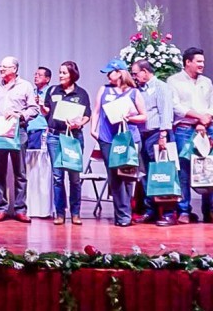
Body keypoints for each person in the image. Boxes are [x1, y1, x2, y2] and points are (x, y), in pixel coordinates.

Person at [167, 47, 213, 225]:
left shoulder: (206, 81)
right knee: (184, 171)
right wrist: (198, 117)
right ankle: (184, 210)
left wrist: (206, 118)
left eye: (203, 62)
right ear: (187, 62)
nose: (202, 65)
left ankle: (209, 211)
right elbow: (176, 106)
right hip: (185, 129)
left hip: (206, 128)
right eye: (198, 61)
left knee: (208, 170)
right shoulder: (173, 81)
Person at [0, 56, 39, 223]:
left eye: (5, 67)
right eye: (0, 66)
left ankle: (20, 209)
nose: (1, 69)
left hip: (18, 132)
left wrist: (19, 114)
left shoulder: (26, 86)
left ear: (14, 69)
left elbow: (34, 109)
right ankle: (1, 208)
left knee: (20, 173)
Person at [91, 58, 147, 227]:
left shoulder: (133, 92)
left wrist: (129, 117)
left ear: (120, 73)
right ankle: (122, 216)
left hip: (129, 138)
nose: (108, 75)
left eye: (111, 72)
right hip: (108, 138)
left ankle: (126, 213)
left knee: (127, 175)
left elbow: (143, 116)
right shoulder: (104, 90)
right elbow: (96, 111)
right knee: (114, 176)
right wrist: (93, 130)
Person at [45, 61, 91, 225]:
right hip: (55, 137)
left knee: (74, 177)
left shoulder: (82, 93)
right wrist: (43, 109)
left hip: (74, 137)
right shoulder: (53, 91)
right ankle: (59, 213)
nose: (61, 75)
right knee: (58, 177)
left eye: (64, 73)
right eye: (60, 72)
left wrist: (80, 123)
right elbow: (47, 112)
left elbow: (87, 115)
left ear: (72, 74)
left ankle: (76, 212)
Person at [129, 59, 173, 225]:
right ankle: (150, 210)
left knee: (162, 172)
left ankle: (168, 212)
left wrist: (163, 135)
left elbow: (165, 112)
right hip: (143, 135)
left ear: (145, 72)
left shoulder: (161, 87)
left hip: (156, 134)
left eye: (136, 73)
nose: (134, 76)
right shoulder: (137, 89)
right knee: (146, 174)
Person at [28, 66, 53, 149]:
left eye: (39, 75)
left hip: (41, 132)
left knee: (38, 160)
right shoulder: (31, 92)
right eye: (35, 74)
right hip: (27, 131)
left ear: (47, 79)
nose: (36, 77)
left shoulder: (51, 93)